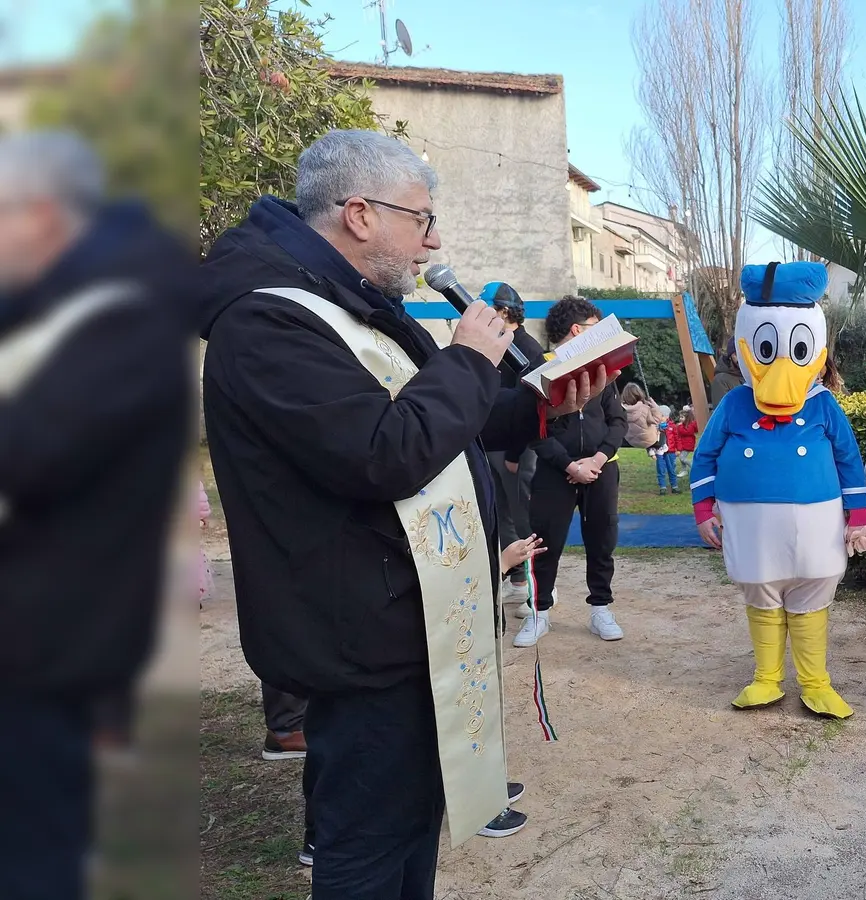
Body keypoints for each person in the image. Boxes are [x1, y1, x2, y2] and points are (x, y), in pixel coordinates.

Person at [200, 130, 608, 897]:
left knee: (410, 834)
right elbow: (384, 451)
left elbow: (453, 424)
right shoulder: (269, 323)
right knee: (370, 851)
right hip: (356, 635)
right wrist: (467, 360)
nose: (435, 241)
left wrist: (537, 404)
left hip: (409, 623)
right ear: (360, 214)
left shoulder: (353, 308)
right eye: (422, 220)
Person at [0, 132, 191, 900]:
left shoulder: (121, 316)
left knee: (28, 855)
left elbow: (30, 455)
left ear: (41, 215)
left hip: (39, 644)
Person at [692, 261, 866, 719]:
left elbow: (849, 460)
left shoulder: (824, 404)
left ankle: (816, 683)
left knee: (813, 596)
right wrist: (702, 508)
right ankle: (766, 678)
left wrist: (860, 516)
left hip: (818, 521)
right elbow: (705, 456)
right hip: (749, 523)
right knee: (760, 592)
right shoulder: (734, 403)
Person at [521, 295, 629, 647]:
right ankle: (539, 611)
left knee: (602, 539)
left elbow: (617, 420)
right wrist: (569, 465)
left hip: (602, 470)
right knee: (544, 541)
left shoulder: (603, 371)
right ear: (577, 329)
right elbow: (533, 428)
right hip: (556, 472)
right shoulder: (540, 368)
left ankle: (601, 608)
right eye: (596, 329)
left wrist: (598, 460)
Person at [480, 281, 546, 614]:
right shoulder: (493, 343)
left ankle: (542, 591)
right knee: (500, 515)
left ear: (504, 311)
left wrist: (515, 454)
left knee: (524, 518)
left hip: (517, 452)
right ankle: (518, 583)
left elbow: (530, 406)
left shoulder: (528, 350)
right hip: (490, 445)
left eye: (486, 308)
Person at [708, 338, 743, 408]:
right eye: (736, 354)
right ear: (730, 356)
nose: (741, 358)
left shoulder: (750, 376)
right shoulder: (721, 380)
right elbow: (723, 412)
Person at [668, 407, 698, 481]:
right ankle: (684, 470)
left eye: (682, 417)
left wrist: (680, 426)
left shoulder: (690, 425)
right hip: (683, 444)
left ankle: (693, 466)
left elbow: (686, 432)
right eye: (680, 417)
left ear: (687, 418)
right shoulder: (684, 425)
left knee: (682, 458)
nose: (680, 418)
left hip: (688, 445)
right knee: (681, 458)